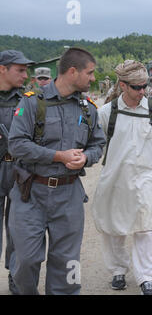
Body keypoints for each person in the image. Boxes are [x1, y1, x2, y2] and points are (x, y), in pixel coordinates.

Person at [7, 47, 105, 295]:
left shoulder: (88, 108)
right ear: (73, 72)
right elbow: (17, 144)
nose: (92, 78)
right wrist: (57, 156)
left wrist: (86, 157)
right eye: (90, 73)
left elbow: (98, 144)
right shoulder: (31, 103)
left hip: (68, 194)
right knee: (26, 259)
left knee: (67, 262)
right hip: (31, 193)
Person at [91, 60, 152, 295]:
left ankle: (146, 278)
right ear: (122, 85)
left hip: (146, 179)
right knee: (115, 228)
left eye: (144, 86)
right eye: (136, 87)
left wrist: (143, 165)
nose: (141, 91)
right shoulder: (106, 113)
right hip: (115, 180)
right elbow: (99, 144)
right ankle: (118, 271)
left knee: (146, 228)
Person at [0, 50, 34, 294]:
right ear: (3, 69)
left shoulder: (28, 99)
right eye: (20, 70)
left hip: (18, 171)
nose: (26, 74)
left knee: (17, 230)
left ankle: (15, 276)